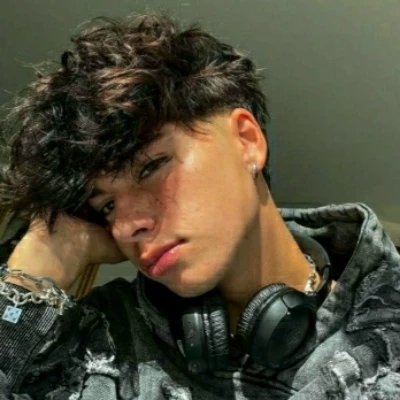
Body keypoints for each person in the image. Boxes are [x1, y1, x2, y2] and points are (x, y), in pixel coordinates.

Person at [0, 12, 399, 400]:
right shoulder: (102, 341)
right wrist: (38, 263)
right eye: (106, 206)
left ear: (247, 142)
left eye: (152, 166)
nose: (125, 227)